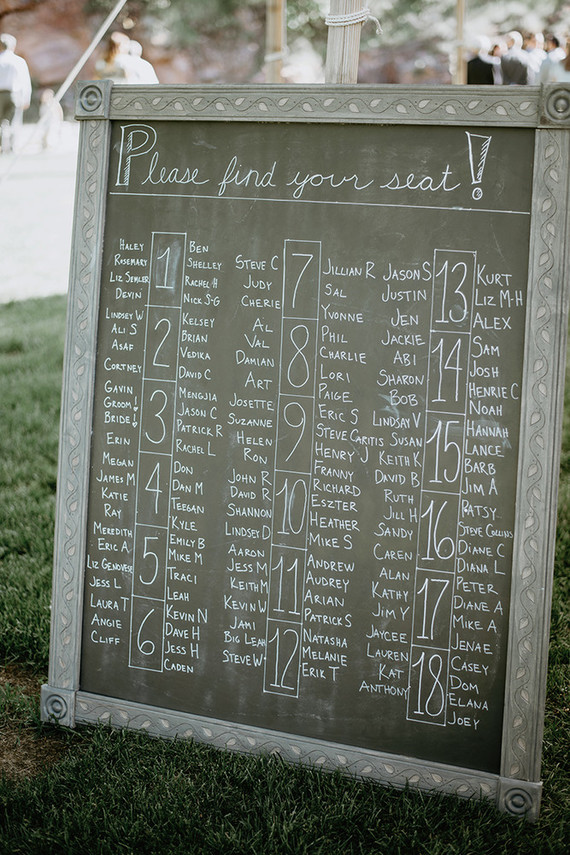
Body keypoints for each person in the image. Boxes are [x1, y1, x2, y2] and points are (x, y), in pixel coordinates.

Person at [0, 33, 32, 154]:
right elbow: (25, 81)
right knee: (14, 121)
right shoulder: (18, 61)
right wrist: (26, 98)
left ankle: (1, 146)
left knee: (1, 122)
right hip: (13, 94)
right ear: (13, 46)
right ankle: (13, 146)